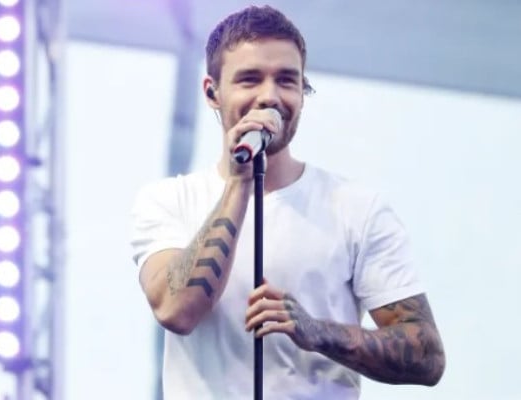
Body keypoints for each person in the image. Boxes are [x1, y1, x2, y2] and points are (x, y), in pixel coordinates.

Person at [130, 5, 445, 399]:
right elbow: (176, 311)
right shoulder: (168, 201)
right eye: (249, 79)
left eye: (286, 80)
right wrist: (240, 183)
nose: (270, 96)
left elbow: (427, 357)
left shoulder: (357, 209)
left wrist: (319, 332)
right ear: (212, 92)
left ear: (302, 91)